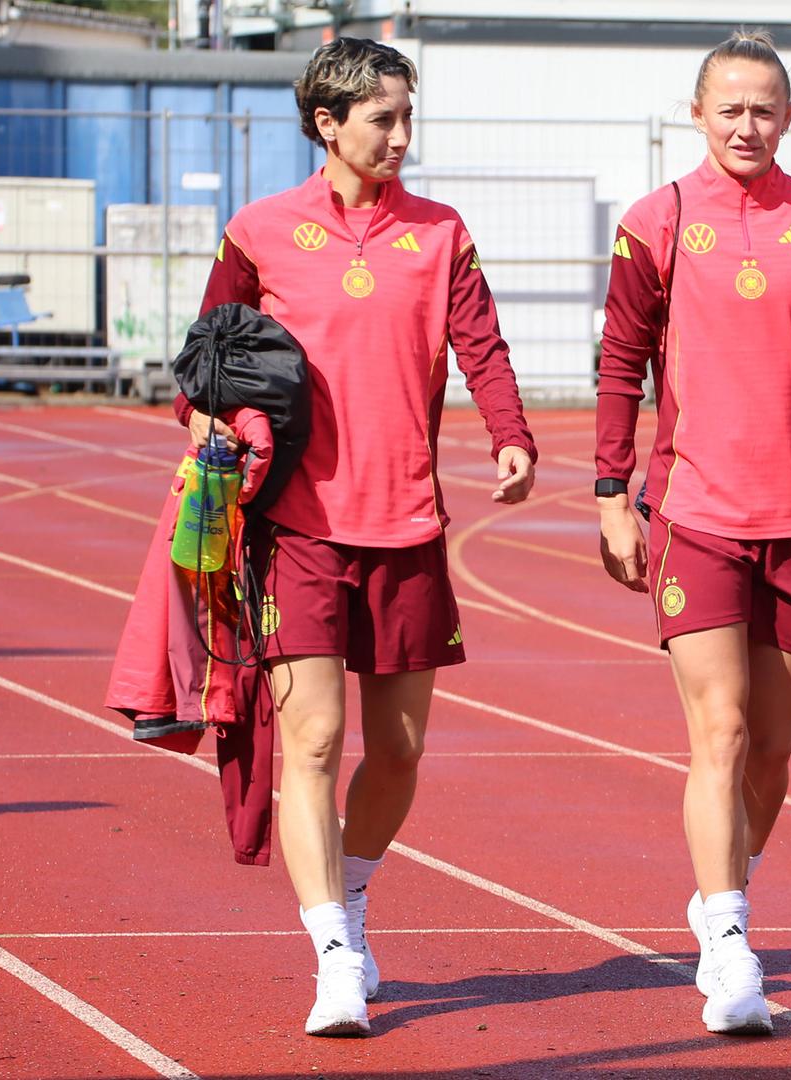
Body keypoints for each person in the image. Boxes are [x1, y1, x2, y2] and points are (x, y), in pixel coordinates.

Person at [176, 37, 538, 1037]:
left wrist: (510, 436)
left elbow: (483, 347)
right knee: (316, 740)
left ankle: (356, 892)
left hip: (408, 524)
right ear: (327, 124)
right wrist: (214, 430)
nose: (401, 137)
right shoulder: (258, 230)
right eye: (383, 118)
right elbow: (202, 366)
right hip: (295, 528)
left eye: (407, 117)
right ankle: (334, 951)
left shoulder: (442, 231)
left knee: (403, 749)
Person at [593, 29, 791, 1036]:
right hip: (696, 514)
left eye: (765, 108)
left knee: (770, 754)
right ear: (698, 113)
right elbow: (621, 358)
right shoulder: (659, 219)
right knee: (716, 733)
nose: (747, 125)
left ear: (789, 117)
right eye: (730, 108)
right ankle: (728, 943)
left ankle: (723, 881)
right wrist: (609, 490)